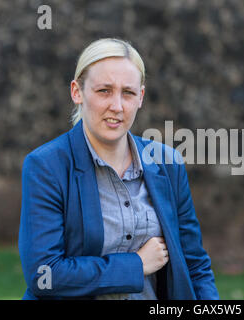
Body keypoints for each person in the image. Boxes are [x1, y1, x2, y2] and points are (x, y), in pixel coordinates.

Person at [18, 38, 219, 300]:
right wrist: (136, 265)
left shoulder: (167, 163)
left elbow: (195, 266)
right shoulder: (46, 166)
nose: (117, 106)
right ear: (77, 91)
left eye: (128, 92)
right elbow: (44, 275)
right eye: (104, 91)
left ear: (141, 97)